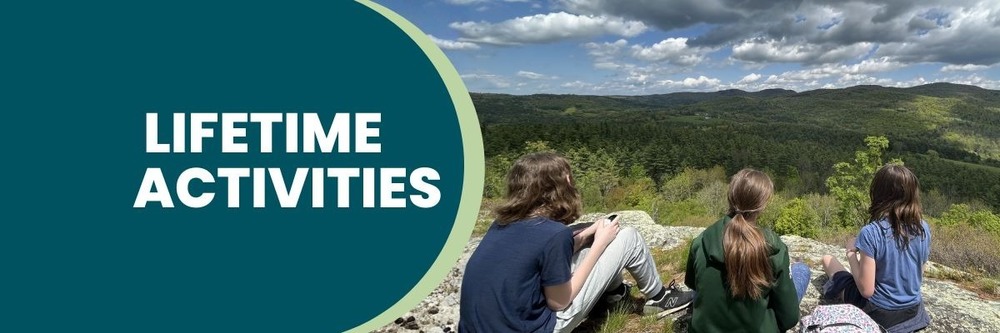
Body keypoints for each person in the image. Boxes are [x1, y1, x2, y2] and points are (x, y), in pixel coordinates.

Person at [458, 152, 694, 333]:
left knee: (587, 238)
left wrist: (587, 233)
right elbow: (560, 301)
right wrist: (599, 243)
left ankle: (613, 297)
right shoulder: (553, 235)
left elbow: (540, 255)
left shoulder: (501, 224)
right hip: (540, 327)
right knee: (628, 237)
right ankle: (660, 298)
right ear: (565, 183)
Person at [685, 168, 807, 332]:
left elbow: (693, 284)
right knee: (802, 270)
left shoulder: (701, 241)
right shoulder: (774, 249)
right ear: (762, 206)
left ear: (731, 198)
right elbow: (790, 318)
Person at [821, 164, 931, 332]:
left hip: (880, 312)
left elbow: (866, 290)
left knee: (827, 260)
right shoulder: (922, 228)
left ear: (879, 193)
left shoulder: (872, 232)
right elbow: (919, 274)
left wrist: (851, 253)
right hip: (912, 311)